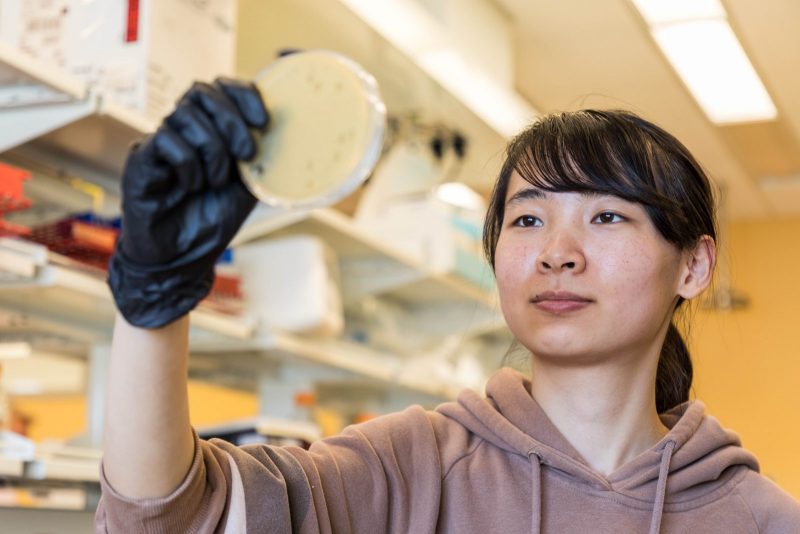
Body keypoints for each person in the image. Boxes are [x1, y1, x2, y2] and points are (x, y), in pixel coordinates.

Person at [95, 78, 800, 533]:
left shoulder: (757, 518)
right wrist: (152, 300)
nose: (558, 252)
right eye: (527, 220)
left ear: (695, 266)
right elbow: (171, 519)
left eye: (606, 218)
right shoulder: (409, 465)